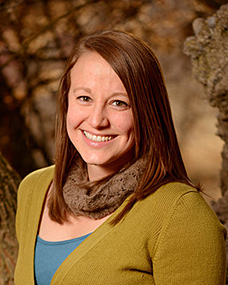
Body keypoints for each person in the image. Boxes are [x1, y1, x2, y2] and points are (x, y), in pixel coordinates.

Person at [15, 30, 226, 285]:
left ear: (148, 112)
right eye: (84, 98)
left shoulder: (180, 214)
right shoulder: (34, 190)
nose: (96, 121)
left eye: (119, 103)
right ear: (66, 102)